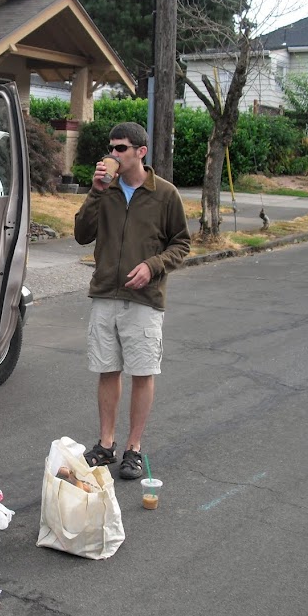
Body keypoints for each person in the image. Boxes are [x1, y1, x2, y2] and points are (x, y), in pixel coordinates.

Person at [73, 122, 190, 479]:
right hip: (105, 292)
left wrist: (152, 266)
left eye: (120, 148)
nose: (113, 154)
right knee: (107, 370)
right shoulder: (105, 190)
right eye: (111, 148)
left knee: (142, 372)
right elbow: (81, 234)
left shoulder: (165, 194)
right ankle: (105, 445)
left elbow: (181, 243)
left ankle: (133, 449)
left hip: (144, 298)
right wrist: (95, 192)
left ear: (141, 152)